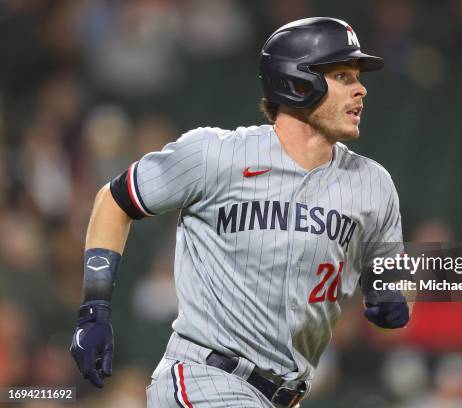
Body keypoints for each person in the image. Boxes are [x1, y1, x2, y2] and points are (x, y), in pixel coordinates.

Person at [69, 17, 409, 408]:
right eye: (343, 75)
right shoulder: (216, 155)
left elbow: (394, 278)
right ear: (298, 82)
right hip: (204, 377)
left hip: (285, 396)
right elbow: (113, 201)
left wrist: (395, 297)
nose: (360, 89)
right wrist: (95, 308)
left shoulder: (373, 184)